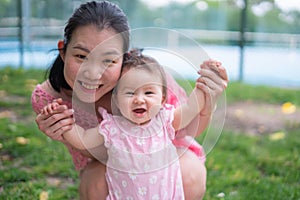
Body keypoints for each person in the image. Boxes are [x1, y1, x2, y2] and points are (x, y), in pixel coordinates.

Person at [31, 1, 229, 199]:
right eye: (81, 56)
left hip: (163, 160)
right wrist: (65, 129)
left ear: (123, 58)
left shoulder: (146, 80)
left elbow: (184, 125)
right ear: (63, 51)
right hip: (113, 167)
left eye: (108, 60)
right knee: (97, 183)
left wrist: (205, 94)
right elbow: (91, 147)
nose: (91, 73)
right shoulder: (50, 101)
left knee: (188, 171)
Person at [41, 49, 206, 199]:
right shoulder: (112, 127)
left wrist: (204, 85)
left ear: (162, 99)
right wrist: (62, 120)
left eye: (148, 92)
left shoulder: (165, 119)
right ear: (117, 101)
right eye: (129, 93)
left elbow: (191, 107)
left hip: (165, 194)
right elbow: (82, 138)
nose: (139, 99)